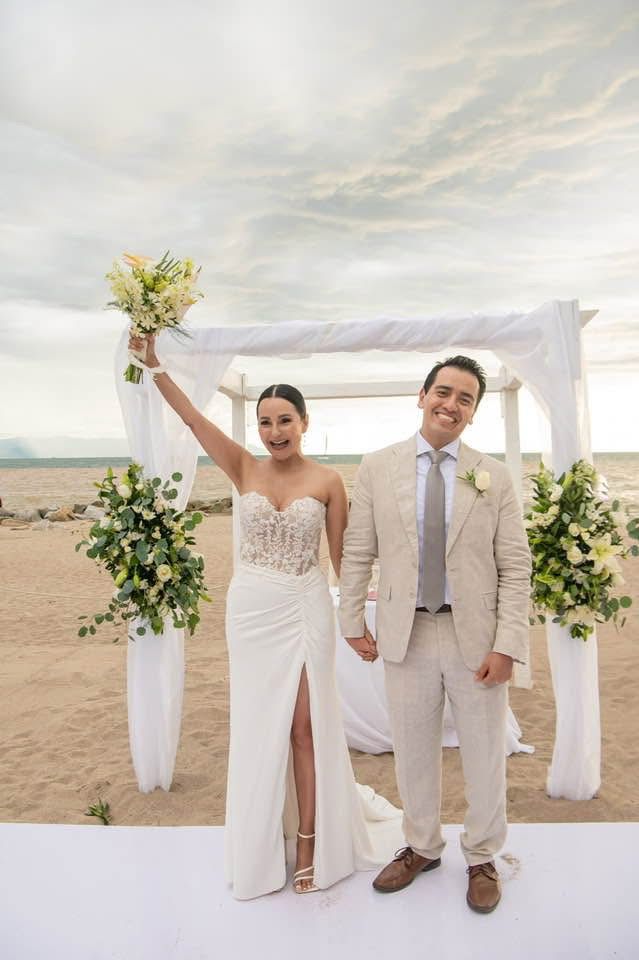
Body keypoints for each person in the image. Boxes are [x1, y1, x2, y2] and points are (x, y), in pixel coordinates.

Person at [128, 333, 400, 900]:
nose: (274, 432)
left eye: (284, 421)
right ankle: (257, 840)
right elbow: (193, 419)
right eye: (266, 423)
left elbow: (344, 558)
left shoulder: (327, 482)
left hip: (304, 609)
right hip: (251, 611)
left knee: (304, 728)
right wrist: (154, 365)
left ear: (304, 421)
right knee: (258, 727)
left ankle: (307, 841)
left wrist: (357, 621)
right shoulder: (244, 467)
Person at [338, 355, 531, 914]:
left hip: (478, 637)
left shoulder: (494, 474)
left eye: (465, 398)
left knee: (485, 753)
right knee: (413, 751)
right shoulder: (377, 467)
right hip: (407, 633)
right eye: (443, 392)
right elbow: (358, 551)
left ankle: (481, 855)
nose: (451, 404)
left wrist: (507, 643)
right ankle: (422, 846)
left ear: (473, 412)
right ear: (422, 396)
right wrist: (352, 619)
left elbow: (516, 567)